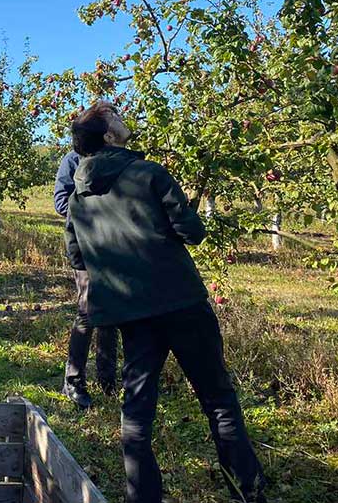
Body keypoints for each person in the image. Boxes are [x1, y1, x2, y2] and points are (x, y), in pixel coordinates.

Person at [65, 102, 266, 503]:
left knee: (136, 411)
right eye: (116, 118)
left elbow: (78, 259)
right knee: (218, 400)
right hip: (181, 302)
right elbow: (192, 232)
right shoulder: (148, 173)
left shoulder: (77, 200)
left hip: (131, 313)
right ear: (108, 135)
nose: (124, 120)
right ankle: (249, 492)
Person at [54, 142, 119, 410]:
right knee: (88, 311)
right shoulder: (73, 160)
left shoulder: (117, 160)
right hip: (86, 246)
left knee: (112, 314)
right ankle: (73, 381)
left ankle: (107, 381)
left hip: (116, 246)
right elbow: (60, 202)